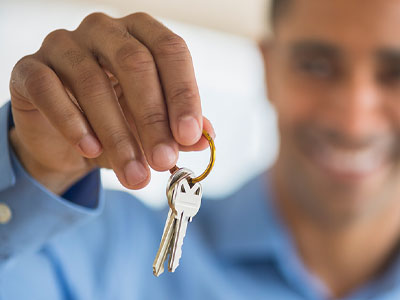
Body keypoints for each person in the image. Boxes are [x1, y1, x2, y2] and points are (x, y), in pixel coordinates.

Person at [2, 0, 400, 298]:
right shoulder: (97, 249)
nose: (353, 120)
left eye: (395, 74)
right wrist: (32, 167)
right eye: (316, 66)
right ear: (268, 67)